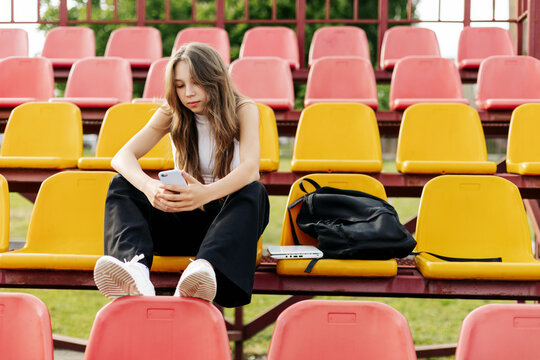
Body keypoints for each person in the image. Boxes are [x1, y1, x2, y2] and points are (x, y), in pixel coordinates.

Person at [93, 42, 270, 308]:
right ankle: (136, 271)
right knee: (122, 184)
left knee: (254, 191)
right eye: (179, 85)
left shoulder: (244, 108)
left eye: (196, 82)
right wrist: (149, 187)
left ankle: (204, 270)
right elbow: (121, 158)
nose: (188, 93)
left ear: (215, 79)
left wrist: (206, 193)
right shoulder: (172, 110)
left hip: (224, 228)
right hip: (183, 222)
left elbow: (250, 169)